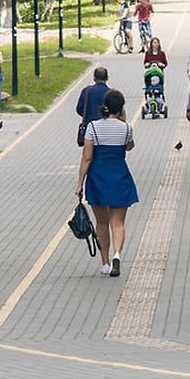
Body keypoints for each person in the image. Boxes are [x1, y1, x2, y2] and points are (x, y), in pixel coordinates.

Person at [76, 89, 138, 278]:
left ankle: (105, 262)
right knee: (117, 222)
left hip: (98, 177)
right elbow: (129, 146)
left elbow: (87, 158)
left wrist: (80, 183)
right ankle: (117, 253)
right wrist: (123, 121)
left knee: (101, 222)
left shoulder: (93, 127)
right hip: (119, 175)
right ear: (121, 108)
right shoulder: (126, 128)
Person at [75, 66, 110, 137]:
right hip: (106, 128)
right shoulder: (110, 93)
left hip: (89, 126)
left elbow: (79, 108)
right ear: (107, 78)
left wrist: (88, 115)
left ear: (94, 78)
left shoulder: (86, 91)